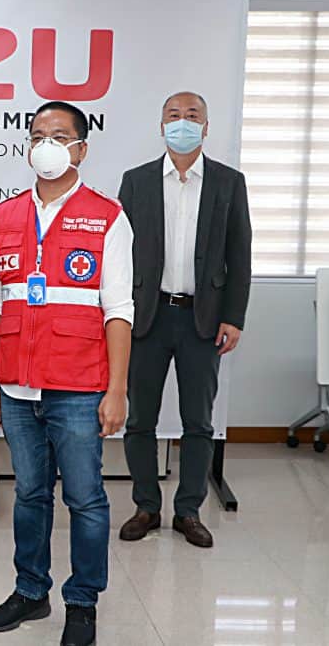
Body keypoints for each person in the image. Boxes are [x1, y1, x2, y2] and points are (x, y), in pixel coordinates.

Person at [0, 101, 134, 646]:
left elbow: (119, 309)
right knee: (29, 495)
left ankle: (82, 601)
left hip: (79, 386)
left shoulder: (107, 216)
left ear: (81, 149)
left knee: (85, 499)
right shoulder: (3, 216)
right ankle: (30, 590)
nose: (46, 144)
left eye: (60, 135)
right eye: (38, 134)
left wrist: (117, 390)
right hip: (17, 386)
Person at [118, 91, 252, 548]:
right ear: (161, 126)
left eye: (192, 115)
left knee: (199, 422)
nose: (183, 122)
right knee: (140, 419)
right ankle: (146, 506)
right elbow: (118, 254)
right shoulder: (136, 181)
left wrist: (234, 316)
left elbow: (240, 254)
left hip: (203, 319)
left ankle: (188, 511)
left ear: (206, 127)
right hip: (147, 317)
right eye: (174, 115)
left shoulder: (228, 183)